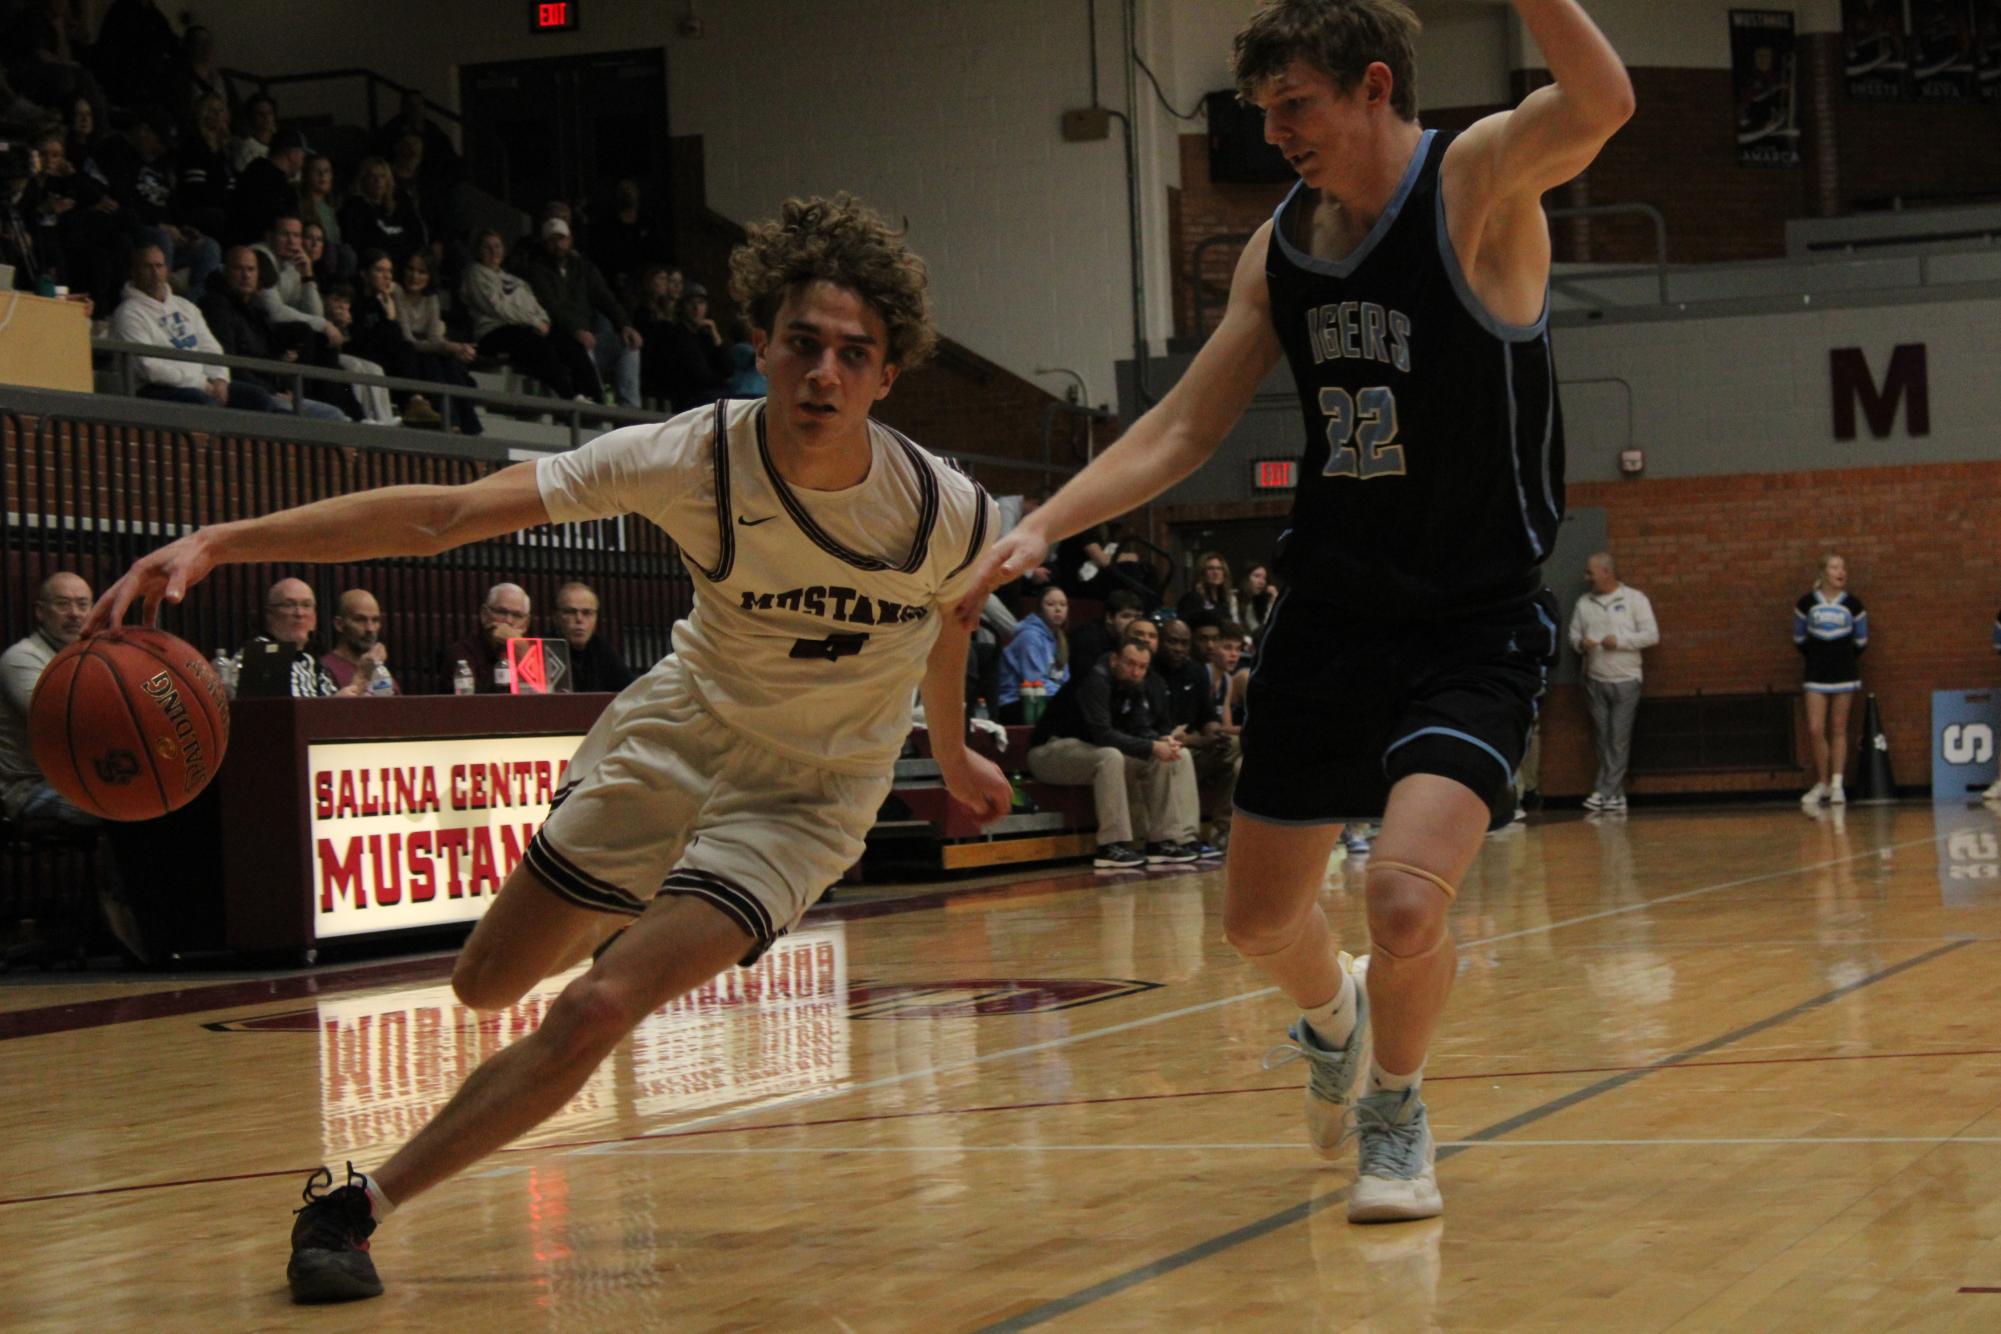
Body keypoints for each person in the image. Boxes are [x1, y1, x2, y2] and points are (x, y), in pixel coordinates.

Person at [86, 192, 1006, 1306]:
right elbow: (447, 515)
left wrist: (949, 755)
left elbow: (948, 624)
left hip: (810, 793)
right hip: (681, 732)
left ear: (887, 374)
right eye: (802, 343)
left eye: (853, 354)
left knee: (596, 1007)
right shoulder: (688, 455)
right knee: (487, 983)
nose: (823, 372)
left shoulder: (945, 510)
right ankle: (643, 897)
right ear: (759, 340)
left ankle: (353, 1208)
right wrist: (227, 538)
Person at [959, 0, 1632, 1222]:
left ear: (1375, 87)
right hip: (1330, 614)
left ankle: (1396, 1107)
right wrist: (1044, 523)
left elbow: (1601, 106)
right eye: (1262, 111)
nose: (1274, 134)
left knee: (1404, 897)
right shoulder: (1284, 248)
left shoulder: (1475, 183)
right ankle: (1336, 1017)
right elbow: (1181, 425)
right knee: (1260, 918)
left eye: (1295, 107)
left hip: (1474, 620)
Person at [1026, 636, 1202, 869]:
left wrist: (1161, 741)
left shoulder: (1134, 687)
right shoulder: (1095, 680)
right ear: (1114, 660)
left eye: (1142, 667)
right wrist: (1151, 746)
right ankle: (1111, 845)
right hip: (1050, 751)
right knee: (1110, 756)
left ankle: (1163, 841)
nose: (1135, 671)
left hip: (1090, 751)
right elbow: (1103, 734)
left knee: (1169, 757)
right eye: (1130, 663)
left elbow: (1140, 729)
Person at [110, 244, 292, 414]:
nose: (155, 272)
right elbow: (149, 368)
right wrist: (201, 383)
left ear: (167, 269)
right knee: (202, 403)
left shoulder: (185, 307)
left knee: (258, 399)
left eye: (159, 266)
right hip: (155, 390)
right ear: (134, 272)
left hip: (203, 384)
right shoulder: (128, 313)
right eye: (147, 267)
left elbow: (211, 348)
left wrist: (219, 380)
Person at [197, 245, 347, 420]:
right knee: (333, 417)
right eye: (239, 269)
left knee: (337, 415)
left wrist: (285, 383)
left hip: (268, 388)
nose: (246, 275)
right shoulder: (217, 306)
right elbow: (229, 362)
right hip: (252, 392)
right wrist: (273, 391)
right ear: (226, 270)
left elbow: (264, 353)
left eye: (251, 269)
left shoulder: (254, 308)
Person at [0, 571, 98, 833]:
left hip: (85, 778)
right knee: (126, 807)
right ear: (41, 612)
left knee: (163, 802)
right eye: (63, 604)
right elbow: (57, 724)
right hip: (31, 787)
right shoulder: (21, 658)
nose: (74, 613)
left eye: (82, 604)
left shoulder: (95, 656)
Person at [511, 216, 644, 406]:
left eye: (561, 238)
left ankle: (631, 413)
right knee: (582, 349)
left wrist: (625, 324)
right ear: (545, 243)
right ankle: (599, 412)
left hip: (588, 337)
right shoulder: (536, 271)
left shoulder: (584, 269)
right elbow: (551, 306)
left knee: (628, 345)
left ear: (570, 239)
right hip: (563, 340)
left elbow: (605, 298)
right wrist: (574, 330)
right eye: (552, 240)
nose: (558, 245)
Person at [1568, 551, 1658, 813]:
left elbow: (1651, 635)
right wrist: (1580, 644)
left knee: (1618, 737)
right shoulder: (1584, 603)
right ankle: (1616, 795)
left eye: (1591, 573)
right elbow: (1573, 635)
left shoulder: (1633, 599)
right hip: (1595, 679)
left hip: (1626, 678)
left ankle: (1603, 790)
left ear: (1606, 573)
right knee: (1603, 737)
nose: (1587, 577)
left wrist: (1619, 642)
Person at [461, 228, 595, 400]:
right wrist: (533, 321)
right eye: (488, 247)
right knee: (536, 345)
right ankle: (569, 396)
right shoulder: (475, 273)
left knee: (570, 344)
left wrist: (542, 322)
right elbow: (497, 307)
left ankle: (593, 397)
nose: (494, 251)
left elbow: (536, 307)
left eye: (497, 246)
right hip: (493, 332)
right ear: (478, 251)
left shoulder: (516, 280)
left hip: (527, 328)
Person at [1794, 553, 1867, 806]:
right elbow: (1799, 639)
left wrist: (1842, 658)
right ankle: (1822, 782)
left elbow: (1861, 641)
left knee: (1838, 728)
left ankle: (1837, 784)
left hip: (1844, 672)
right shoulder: (1805, 604)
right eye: (1835, 567)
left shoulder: (1853, 605)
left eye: (1843, 567)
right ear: (1823, 571)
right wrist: (1818, 656)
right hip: (1815, 672)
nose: (1841, 571)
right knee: (1815, 728)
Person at [232, 578, 373, 698]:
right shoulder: (258, 654)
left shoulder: (310, 661)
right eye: (289, 605)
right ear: (270, 614)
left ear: (315, 616)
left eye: (306, 605)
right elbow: (271, 714)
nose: (299, 613)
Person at [395, 250, 482, 434]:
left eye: (422, 272)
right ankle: (454, 423)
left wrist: (449, 347)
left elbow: (434, 337)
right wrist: (451, 346)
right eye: (411, 269)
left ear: (430, 275)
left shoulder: (431, 297)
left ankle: (467, 425)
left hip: (427, 350)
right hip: (406, 352)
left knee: (447, 363)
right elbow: (407, 339)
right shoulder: (397, 292)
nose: (415, 276)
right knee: (435, 361)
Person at [996, 585, 1069, 724]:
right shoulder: (1030, 637)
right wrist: (1065, 697)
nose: (1058, 609)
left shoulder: (1059, 639)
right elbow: (1034, 681)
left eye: (1063, 604)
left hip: (1044, 699)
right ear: (1040, 609)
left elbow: (1064, 679)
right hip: (1015, 702)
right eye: (1051, 604)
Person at [441, 582, 532, 694]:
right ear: (484, 615)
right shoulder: (461, 652)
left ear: (526, 623)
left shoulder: (534, 649)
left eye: (517, 615)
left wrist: (521, 651)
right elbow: (477, 701)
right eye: (501, 612)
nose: (508, 621)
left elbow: (544, 697)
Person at [338, 156, 425, 269]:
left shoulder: (401, 205)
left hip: (402, 269)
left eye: (382, 176)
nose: (378, 181)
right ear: (363, 179)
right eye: (372, 176)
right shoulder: (355, 206)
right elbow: (357, 244)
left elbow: (417, 237)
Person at [228, 126, 308, 246]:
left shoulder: (253, 171)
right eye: (302, 155)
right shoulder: (277, 185)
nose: (303, 161)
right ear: (292, 154)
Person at [552, 581, 635, 693]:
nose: (579, 619)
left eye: (587, 613)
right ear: (556, 617)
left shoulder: (601, 648)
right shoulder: (544, 649)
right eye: (570, 612)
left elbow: (631, 690)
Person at [319, 588, 396, 695]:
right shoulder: (324, 669)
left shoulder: (379, 671)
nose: (370, 628)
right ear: (339, 624)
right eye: (360, 620)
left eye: (375, 620)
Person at [1068, 587, 1145, 673]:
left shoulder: (1129, 640)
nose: (1133, 622)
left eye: (1138, 617)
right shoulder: (1088, 639)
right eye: (1126, 616)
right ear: (1109, 618)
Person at [1178, 550, 1240, 627]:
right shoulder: (1192, 598)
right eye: (1210, 568)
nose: (1216, 572)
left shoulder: (1224, 601)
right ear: (1202, 573)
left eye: (1219, 568)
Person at [1241, 562, 1276, 639]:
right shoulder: (1234, 598)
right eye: (1257, 576)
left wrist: (1272, 602)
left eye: (1264, 578)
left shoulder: (1261, 602)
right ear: (1246, 578)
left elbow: (1265, 629)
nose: (1262, 582)